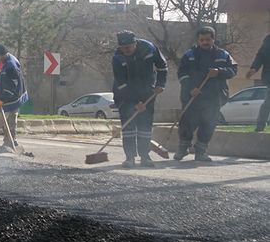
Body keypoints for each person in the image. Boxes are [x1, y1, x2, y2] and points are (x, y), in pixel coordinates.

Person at [176, 27, 238, 162]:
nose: (205, 42)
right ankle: (183, 148)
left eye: (208, 39)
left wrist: (219, 72)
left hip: (213, 97)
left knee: (208, 124)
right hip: (192, 96)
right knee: (187, 123)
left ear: (213, 39)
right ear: (198, 40)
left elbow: (233, 70)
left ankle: (201, 152)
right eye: (202, 40)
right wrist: (190, 88)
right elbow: (182, 74)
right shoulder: (189, 55)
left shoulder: (223, 55)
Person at [111, 31, 168, 168]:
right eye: (123, 48)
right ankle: (130, 157)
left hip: (148, 91)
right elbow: (122, 83)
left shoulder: (150, 48)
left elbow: (162, 67)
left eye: (129, 47)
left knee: (145, 126)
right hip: (124, 94)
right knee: (129, 126)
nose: (126, 50)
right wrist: (135, 103)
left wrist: (160, 84)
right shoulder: (117, 58)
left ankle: (145, 156)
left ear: (135, 43)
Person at [0, 44, 29, 154]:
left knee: (8, 119)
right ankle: (12, 141)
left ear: (3, 55)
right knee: (9, 119)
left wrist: (3, 99)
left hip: (12, 97)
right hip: (7, 95)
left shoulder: (10, 65)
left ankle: (9, 143)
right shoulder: (2, 61)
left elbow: (12, 85)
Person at [246, 34, 270, 132]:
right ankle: (260, 126)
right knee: (268, 103)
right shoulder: (268, 41)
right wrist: (254, 68)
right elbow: (261, 56)